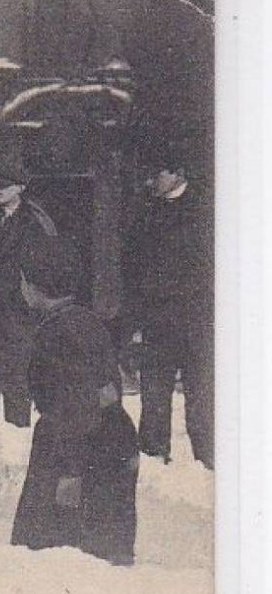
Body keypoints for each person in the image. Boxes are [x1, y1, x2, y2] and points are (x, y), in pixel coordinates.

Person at [11, 245, 138, 565]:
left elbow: (73, 404)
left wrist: (69, 473)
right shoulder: (88, 320)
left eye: (24, 281)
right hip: (114, 433)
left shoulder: (54, 334)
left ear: (35, 287)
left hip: (77, 441)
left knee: (60, 549)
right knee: (108, 543)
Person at [0, 160, 79, 427]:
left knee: (17, 383)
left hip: (21, 315)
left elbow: (52, 267)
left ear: (20, 187)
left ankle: (15, 440)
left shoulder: (37, 221)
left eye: (3, 185)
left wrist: (31, 298)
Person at [123, 164, 213, 468]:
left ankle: (208, 459)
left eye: (158, 172)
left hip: (196, 322)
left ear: (178, 173)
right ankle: (153, 458)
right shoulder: (147, 212)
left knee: (201, 396)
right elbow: (133, 269)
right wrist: (135, 321)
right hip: (157, 323)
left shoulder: (205, 211)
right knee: (154, 396)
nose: (151, 179)